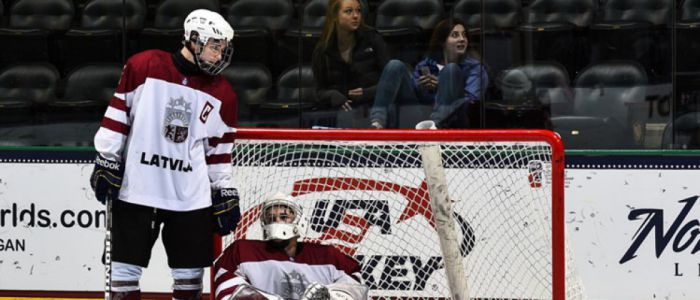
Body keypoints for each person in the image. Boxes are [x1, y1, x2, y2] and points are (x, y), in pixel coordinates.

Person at [89, 9, 241, 300]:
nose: (219, 55)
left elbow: (219, 151)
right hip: (138, 188)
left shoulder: (224, 94)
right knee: (122, 276)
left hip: (190, 195)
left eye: (223, 49)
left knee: (190, 281)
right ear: (193, 40)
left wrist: (223, 190)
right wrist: (107, 158)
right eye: (214, 46)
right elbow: (118, 117)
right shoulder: (144, 65)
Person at [213, 192, 369, 300]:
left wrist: (331, 295)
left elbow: (356, 290)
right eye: (271, 217)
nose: (277, 222)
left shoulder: (328, 256)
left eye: (284, 217)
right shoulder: (242, 251)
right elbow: (226, 292)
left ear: (300, 221)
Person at [369, 18, 489, 129]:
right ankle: (377, 123)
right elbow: (412, 97)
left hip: (451, 122)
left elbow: (471, 101)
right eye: (455, 35)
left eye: (464, 35)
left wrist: (443, 87)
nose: (462, 39)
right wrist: (420, 88)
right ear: (443, 41)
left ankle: (434, 129)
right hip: (421, 120)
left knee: (450, 70)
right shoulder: (425, 65)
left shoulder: (475, 68)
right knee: (394, 65)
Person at [311, 0, 390, 113]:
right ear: (334, 16)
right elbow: (318, 92)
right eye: (349, 11)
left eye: (358, 11)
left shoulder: (372, 38)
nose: (356, 16)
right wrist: (332, 95)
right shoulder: (323, 49)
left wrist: (368, 93)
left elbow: (391, 80)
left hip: (373, 108)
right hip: (338, 112)